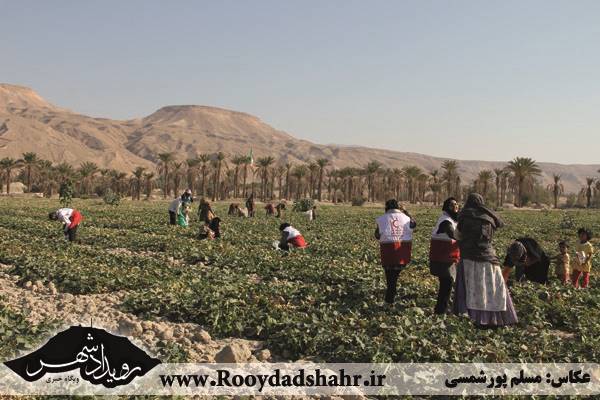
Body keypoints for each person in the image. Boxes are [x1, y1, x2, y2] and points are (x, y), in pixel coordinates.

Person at [453, 193, 518, 327]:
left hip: (469, 259)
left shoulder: (464, 216)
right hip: (489, 258)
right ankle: (495, 319)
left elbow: (457, 235)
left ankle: (473, 318)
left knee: (472, 289)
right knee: (493, 288)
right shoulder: (490, 218)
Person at [374, 199, 416, 305]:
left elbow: (377, 235)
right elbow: (413, 225)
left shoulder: (382, 219)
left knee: (391, 279)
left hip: (388, 254)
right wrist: (406, 212)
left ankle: (389, 300)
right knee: (393, 278)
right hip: (402, 253)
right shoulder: (406, 218)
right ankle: (390, 298)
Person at [429, 197, 460, 314]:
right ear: (447, 207)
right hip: (442, 259)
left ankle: (441, 309)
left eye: (457, 204)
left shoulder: (451, 220)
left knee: (446, 284)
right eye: (452, 205)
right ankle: (441, 310)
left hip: (446, 258)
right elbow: (453, 234)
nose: (456, 207)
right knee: (447, 283)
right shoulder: (446, 221)